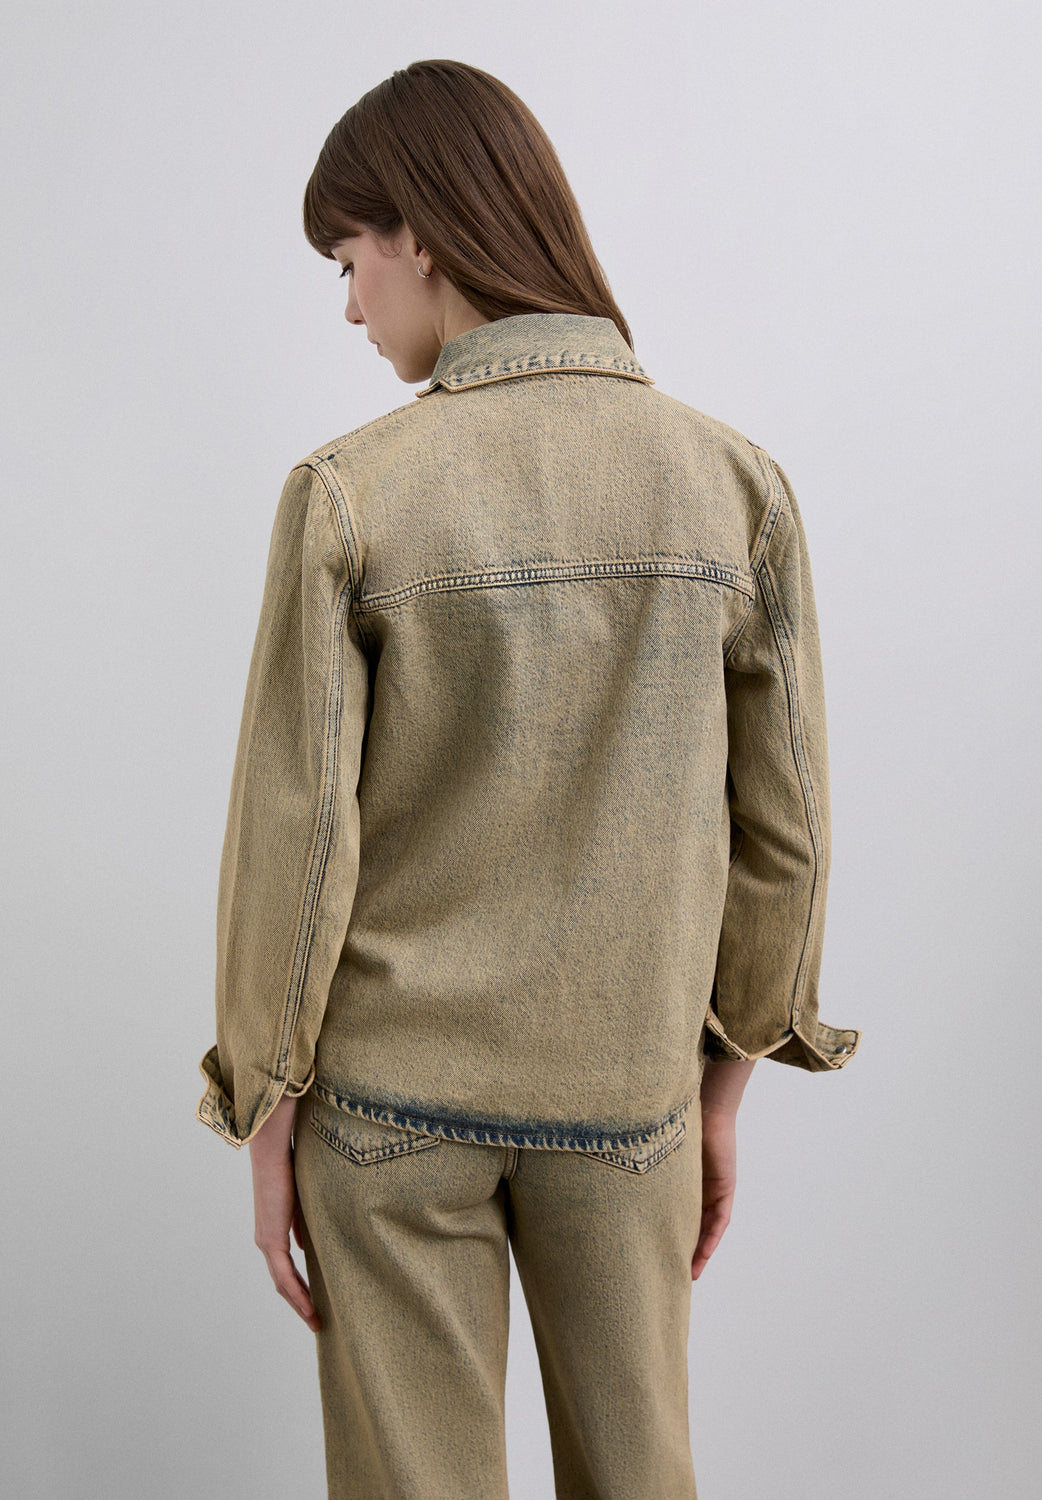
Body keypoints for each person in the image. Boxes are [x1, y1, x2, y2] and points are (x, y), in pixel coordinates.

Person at [196, 58, 860, 1500]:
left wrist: (264, 1103)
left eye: (350, 259)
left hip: (389, 1110)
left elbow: (296, 844)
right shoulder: (732, 486)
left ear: (420, 235)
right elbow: (787, 832)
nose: (351, 306)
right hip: (629, 1100)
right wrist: (724, 1084)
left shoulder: (350, 494)